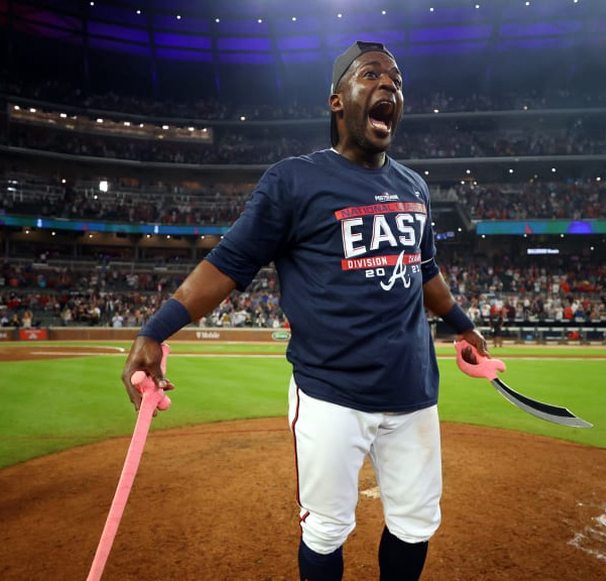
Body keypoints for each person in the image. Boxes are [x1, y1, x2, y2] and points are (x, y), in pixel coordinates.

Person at [122, 40, 488, 581]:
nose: (389, 85)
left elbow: (424, 270)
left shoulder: (414, 186)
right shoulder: (294, 180)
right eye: (371, 75)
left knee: (415, 524)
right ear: (337, 101)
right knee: (326, 530)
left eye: (396, 80)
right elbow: (228, 265)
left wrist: (463, 326)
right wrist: (155, 331)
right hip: (330, 393)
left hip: (413, 390)